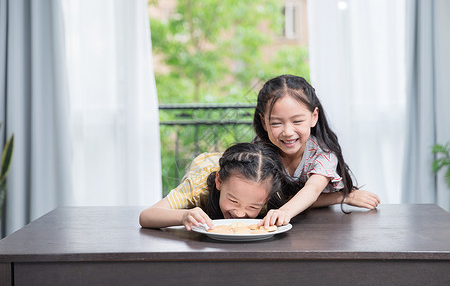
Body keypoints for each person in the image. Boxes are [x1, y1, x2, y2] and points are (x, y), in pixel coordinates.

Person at [253, 74, 380, 228]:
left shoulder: (323, 153)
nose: (288, 132)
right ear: (263, 122)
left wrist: (283, 211)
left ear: (314, 117)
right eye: (276, 123)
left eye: (297, 121)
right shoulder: (257, 153)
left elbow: (312, 190)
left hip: (318, 228)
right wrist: (342, 197)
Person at [139, 142, 285, 231]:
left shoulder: (269, 192)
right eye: (233, 201)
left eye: (253, 207)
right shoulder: (198, 186)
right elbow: (147, 216)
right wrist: (184, 215)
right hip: (205, 166)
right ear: (219, 182)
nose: (240, 214)